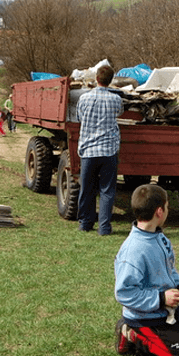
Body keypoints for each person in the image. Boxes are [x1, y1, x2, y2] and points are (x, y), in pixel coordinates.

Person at [114, 184, 179, 356]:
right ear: (159, 211)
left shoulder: (159, 237)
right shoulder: (133, 250)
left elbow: (169, 269)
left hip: (166, 311)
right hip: (145, 317)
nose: (168, 210)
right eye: (167, 207)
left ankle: (171, 333)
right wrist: (161, 298)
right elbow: (124, 293)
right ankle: (132, 333)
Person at [75, 63, 123, 234]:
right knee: (107, 191)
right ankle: (104, 227)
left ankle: (85, 224)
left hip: (88, 150)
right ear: (110, 81)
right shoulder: (116, 99)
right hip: (109, 150)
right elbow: (120, 113)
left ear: (96, 79)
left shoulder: (84, 98)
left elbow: (79, 117)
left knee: (87, 189)